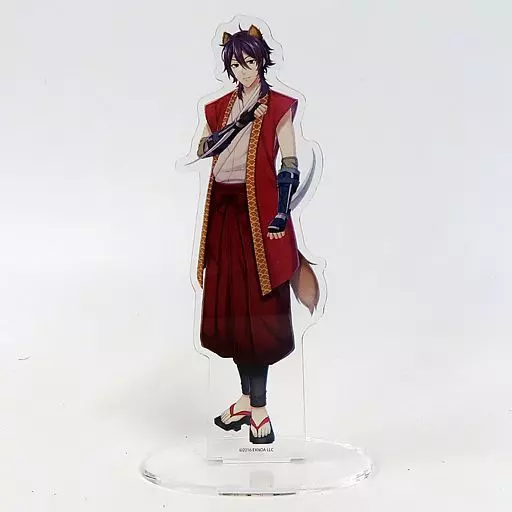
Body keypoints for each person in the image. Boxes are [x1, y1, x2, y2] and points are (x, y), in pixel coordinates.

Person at [194, 24, 319, 444]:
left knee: (259, 315)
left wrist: (281, 212)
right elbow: (204, 150)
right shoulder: (218, 108)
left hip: (259, 219)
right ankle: (247, 401)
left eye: (250, 62)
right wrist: (217, 137)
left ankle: (259, 410)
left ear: (262, 61)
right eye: (236, 64)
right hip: (223, 214)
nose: (244, 70)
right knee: (232, 312)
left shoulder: (278, 106)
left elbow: (289, 163)